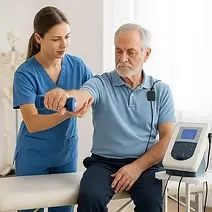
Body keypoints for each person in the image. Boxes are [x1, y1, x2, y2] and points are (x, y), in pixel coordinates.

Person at [44, 23, 176, 212]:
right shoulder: (101, 83)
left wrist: (136, 167)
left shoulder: (160, 90)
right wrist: (65, 96)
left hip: (146, 163)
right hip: (104, 163)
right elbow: (83, 94)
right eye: (118, 51)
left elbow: (167, 138)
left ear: (146, 54)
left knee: (151, 203)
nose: (123, 59)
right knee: (90, 197)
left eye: (131, 52)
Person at [13, 6, 93, 212]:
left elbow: (96, 91)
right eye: (56, 39)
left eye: (67, 36)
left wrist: (77, 98)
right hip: (33, 157)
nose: (64, 44)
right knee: (29, 208)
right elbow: (32, 122)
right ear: (38, 39)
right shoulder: (25, 74)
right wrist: (66, 113)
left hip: (65, 155)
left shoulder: (78, 66)